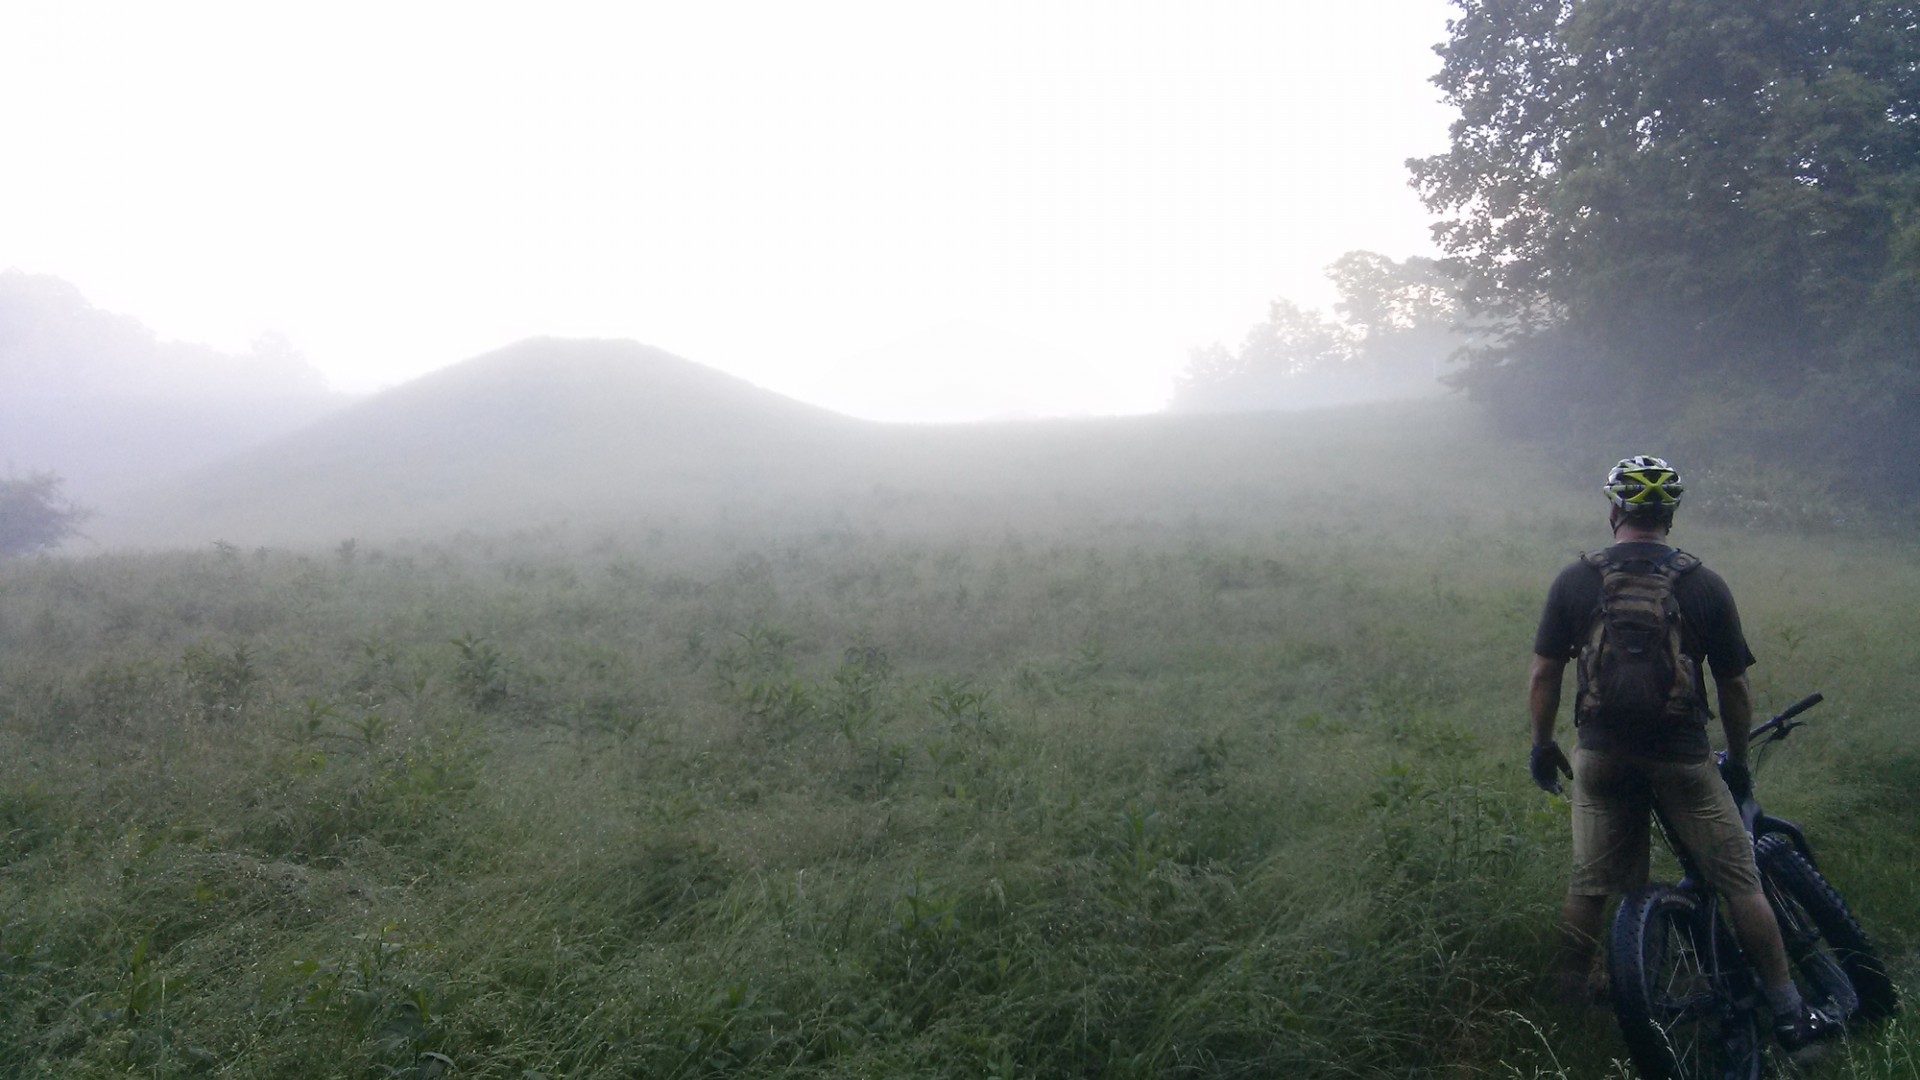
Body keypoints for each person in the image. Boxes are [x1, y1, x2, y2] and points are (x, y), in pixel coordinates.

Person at [1526, 455, 1837, 1051]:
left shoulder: (1575, 579)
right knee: (1741, 882)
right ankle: (1792, 1014)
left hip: (1600, 754)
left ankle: (1566, 1005)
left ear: (1614, 511)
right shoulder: (1702, 584)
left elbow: (1544, 673)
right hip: (1682, 757)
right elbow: (1734, 685)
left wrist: (1542, 746)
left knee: (1590, 885)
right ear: (1669, 515)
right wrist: (1738, 760)